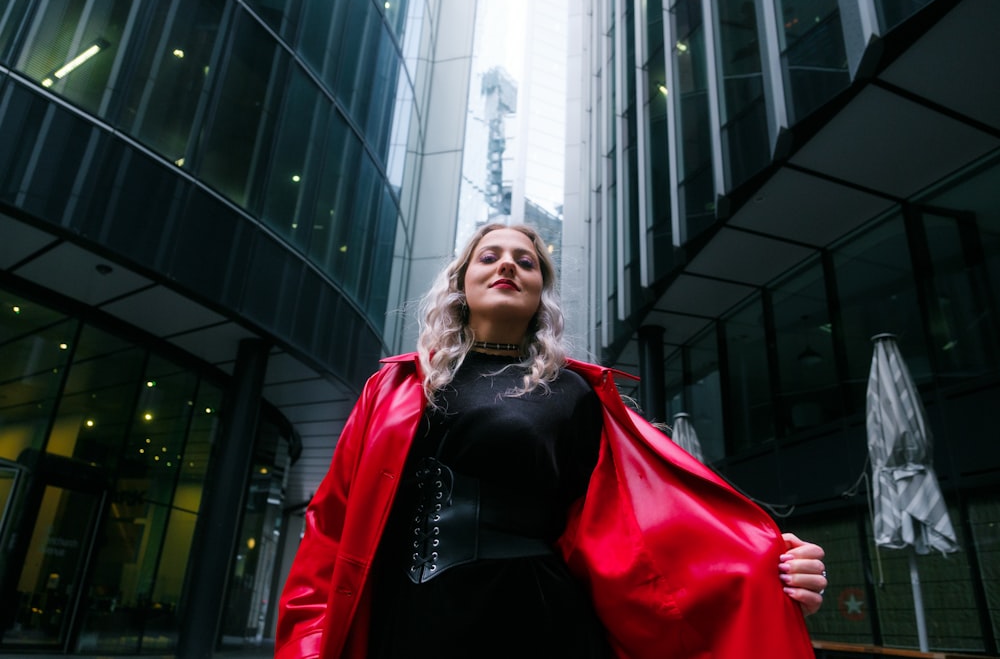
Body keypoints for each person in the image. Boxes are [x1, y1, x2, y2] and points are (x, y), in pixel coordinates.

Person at [276, 223, 828, 659]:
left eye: (527, 260)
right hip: (404, 623)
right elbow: (329, 530)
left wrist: (766, 564)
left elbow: (637, 533)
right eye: (489, 256)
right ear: (461, 284)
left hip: (534, 619)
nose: (509, 264)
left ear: (542, 292)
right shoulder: (393, 388)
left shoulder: (574, 395)